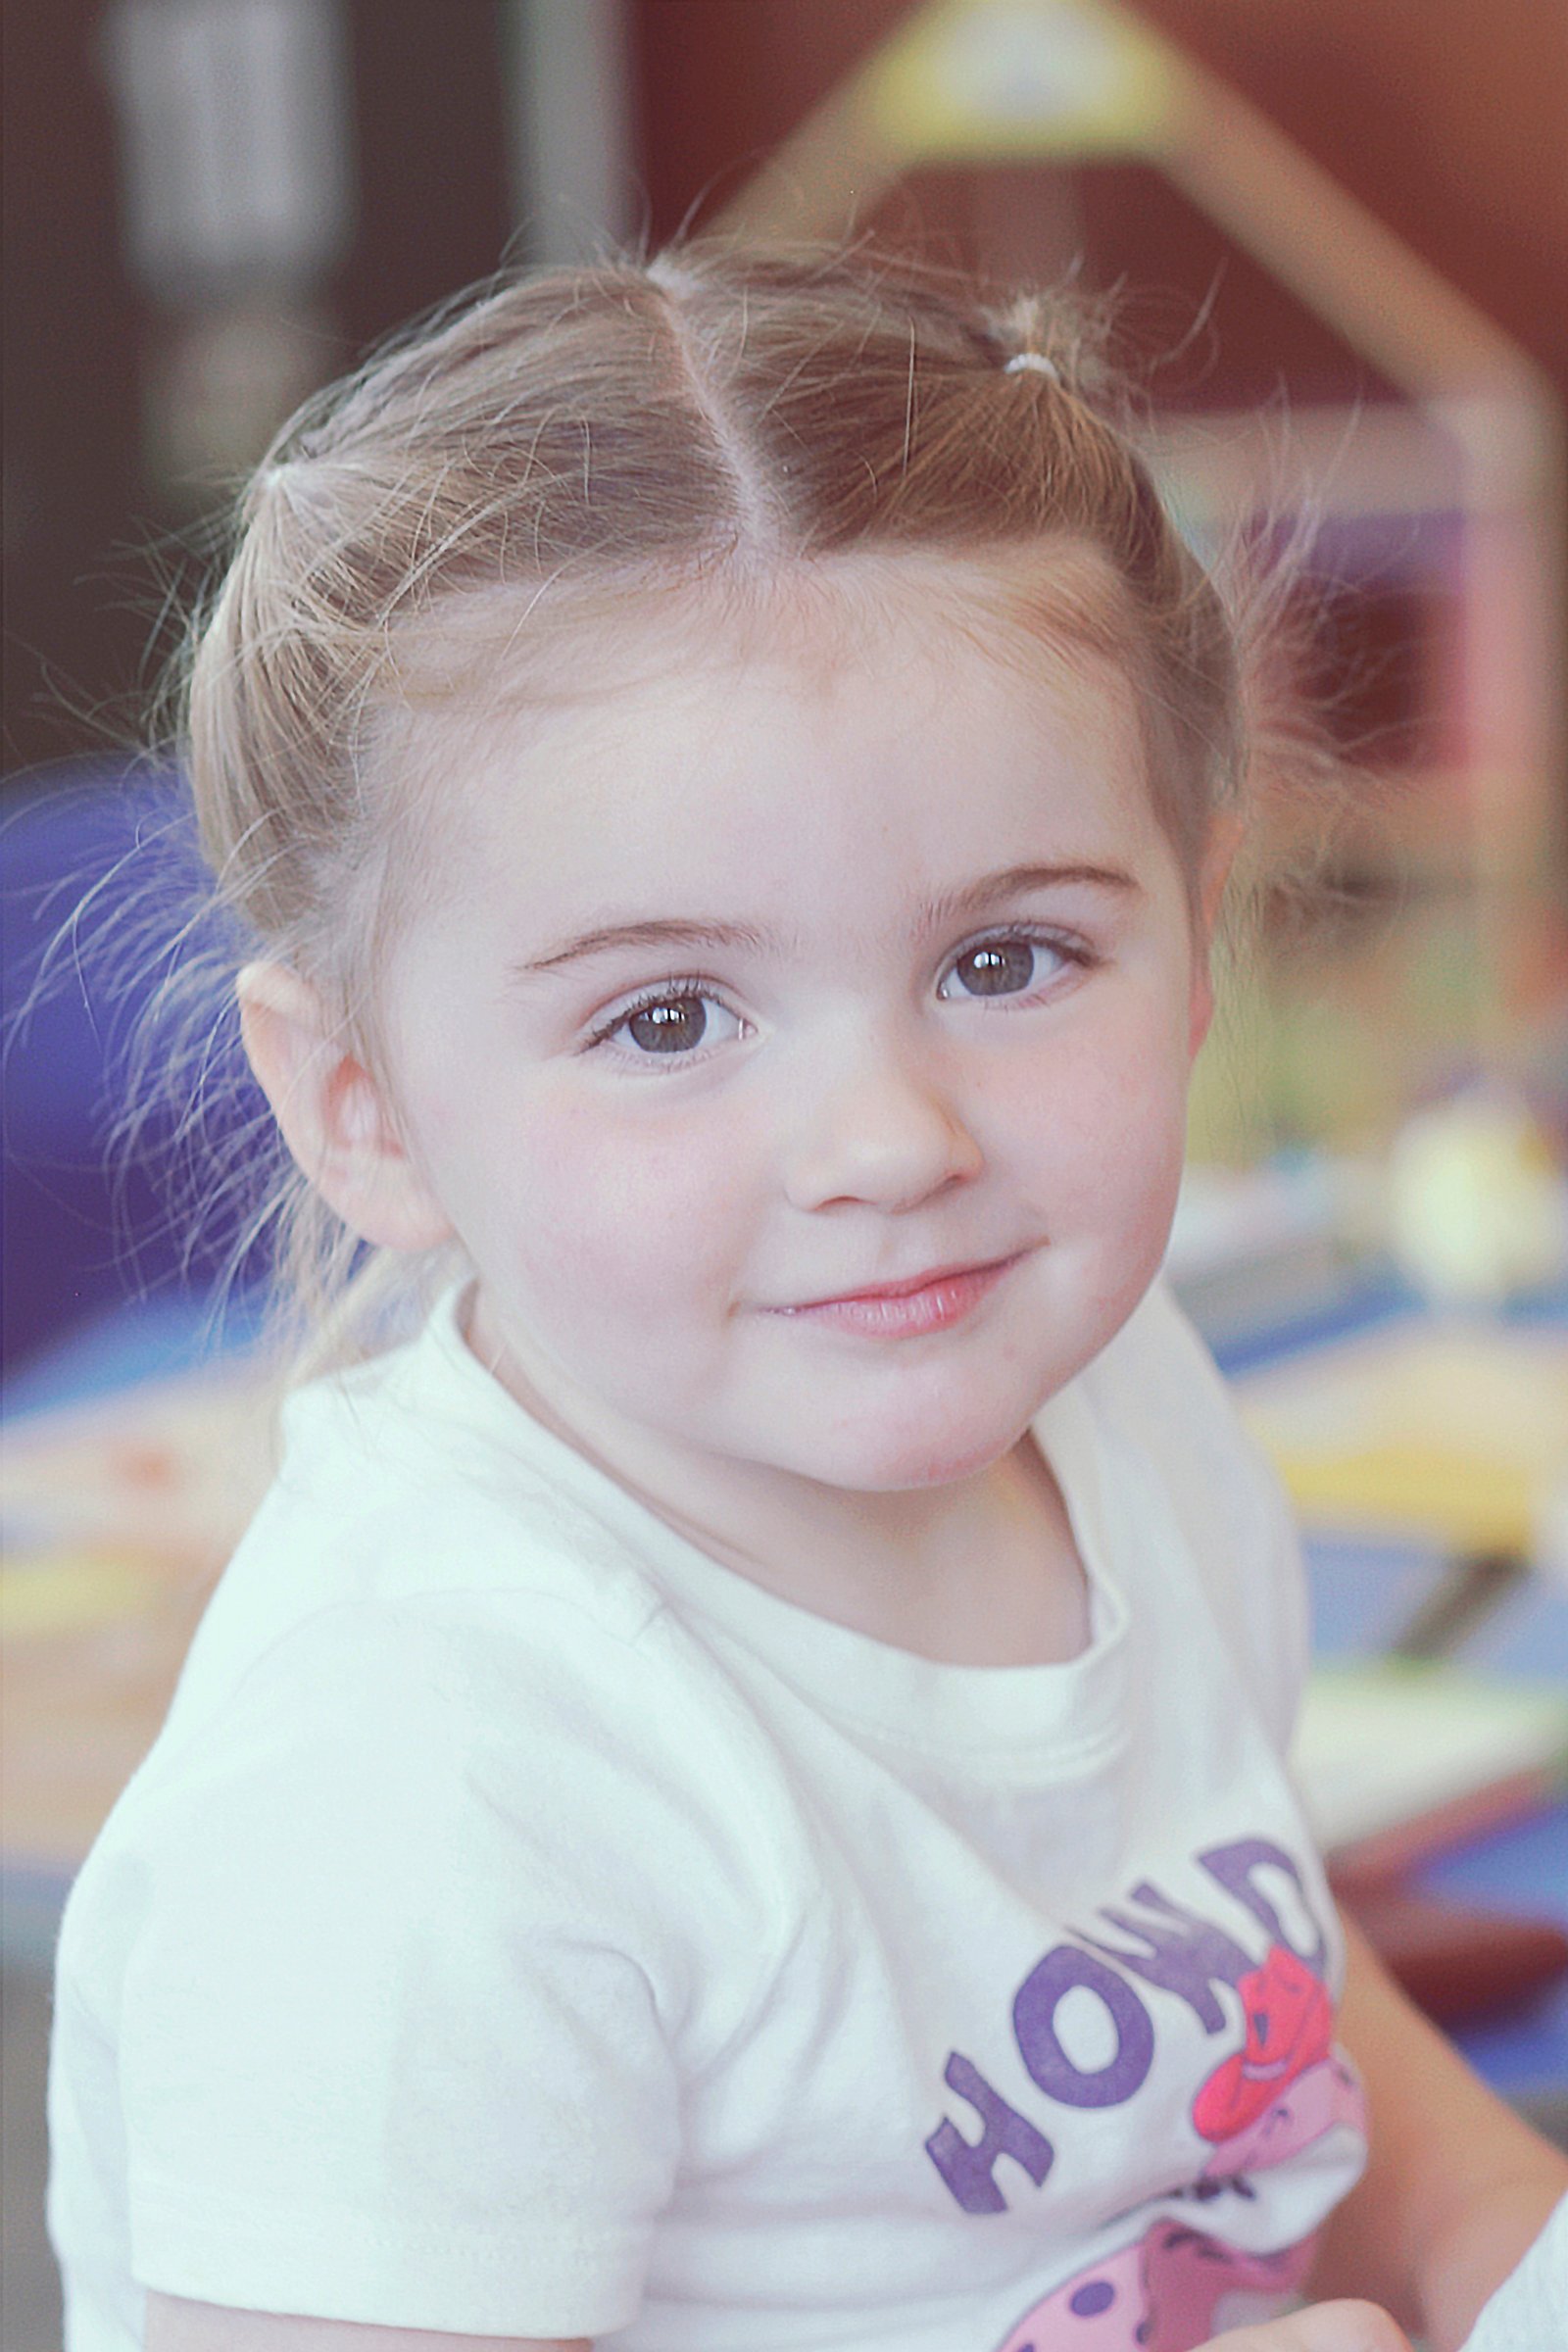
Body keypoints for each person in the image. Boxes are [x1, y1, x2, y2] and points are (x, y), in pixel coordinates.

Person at [46, 247, 1566, 2352]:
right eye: (668, 1016)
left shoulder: (1114, 1395)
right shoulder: (425, 1789)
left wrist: (1504, 2242)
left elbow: (1255, 1985)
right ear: (361, 1102)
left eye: (1007, 959)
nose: (887, 1139)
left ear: (1196, 933)